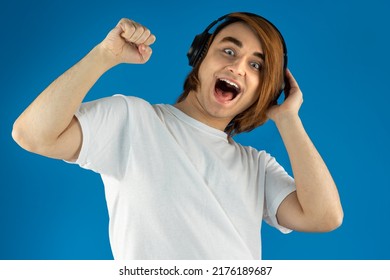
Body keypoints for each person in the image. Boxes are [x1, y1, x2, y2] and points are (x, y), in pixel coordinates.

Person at [12, 12, 343, 260]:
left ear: (263, 91)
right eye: (229, 51)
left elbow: (324, 216)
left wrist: (288, 120)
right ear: (199, 57)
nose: (239, 67)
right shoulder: (132, 120)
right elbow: (32, 134)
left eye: (257, 66)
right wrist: (104, 56)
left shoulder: (257, 167)